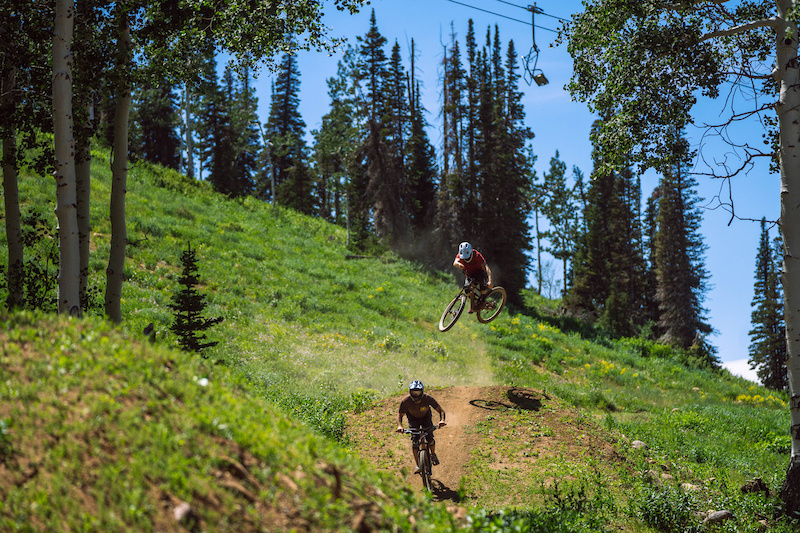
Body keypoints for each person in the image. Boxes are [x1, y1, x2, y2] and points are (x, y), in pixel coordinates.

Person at [395, 380, 446, 473]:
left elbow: (440, 410)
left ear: (422, 392)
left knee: (430, 438)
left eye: (418, 392)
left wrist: (442, 420)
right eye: (414, 392)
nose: (416, 395)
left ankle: (433, 454)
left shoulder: (428, 398)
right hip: (413, 420)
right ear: (410, 392)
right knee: (415, 442)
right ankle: (418, 464)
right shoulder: (406, 401)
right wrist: (399, 426)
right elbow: (399, 415)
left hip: (426, 418)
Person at [452, 241, 493, 313]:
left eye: (467, 257)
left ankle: (483, 301)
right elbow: (455, 263)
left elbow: (486, 268)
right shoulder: (460, 255)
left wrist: (490, 281)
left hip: (480, 273)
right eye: (464, 258)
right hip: (470, 275)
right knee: (467, 289)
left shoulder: (477, 256)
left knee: (482, 283)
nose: (466, 259)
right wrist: (458, 264)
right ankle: (474, 304)